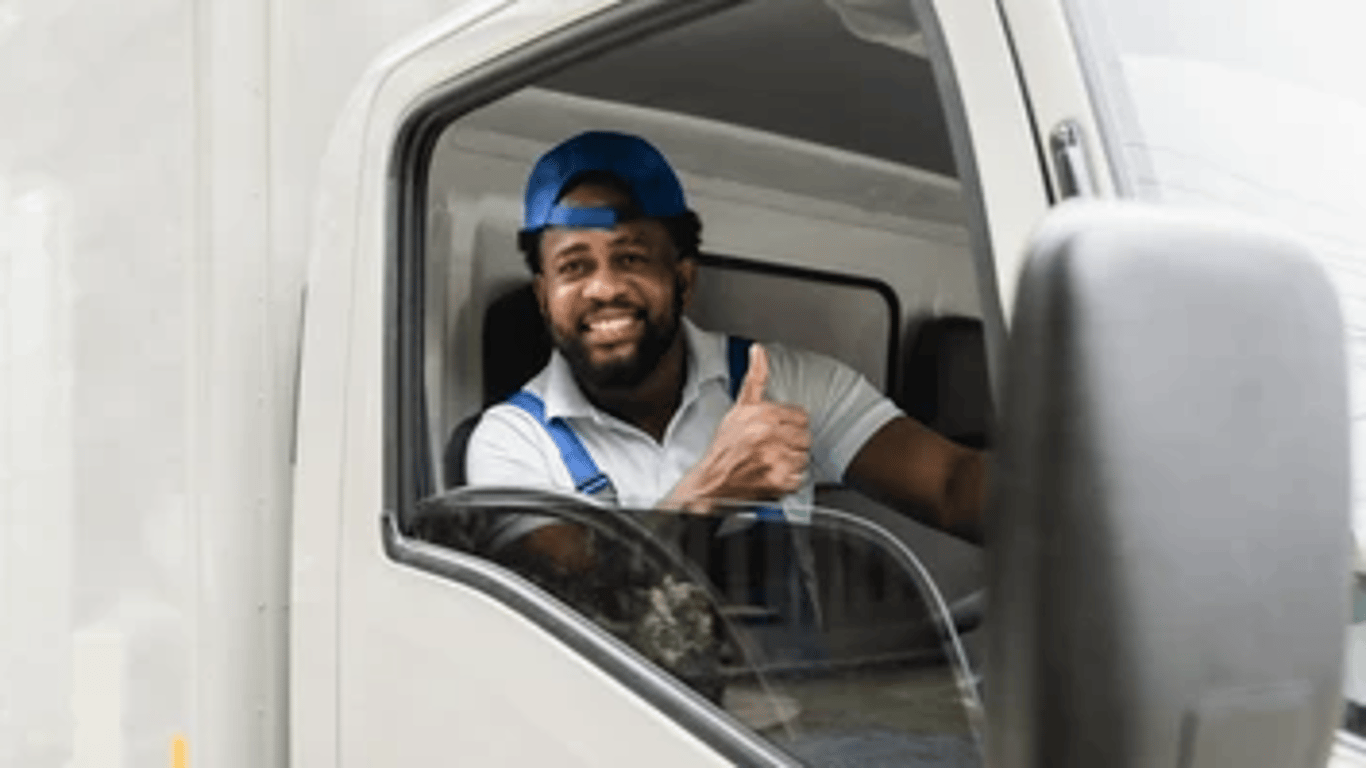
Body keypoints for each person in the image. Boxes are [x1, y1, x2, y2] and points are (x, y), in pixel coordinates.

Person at [464, 130, 987, 565]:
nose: (604, 289)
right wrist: (709, 492)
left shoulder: (793, 385)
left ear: (683, 278)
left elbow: (951, 486)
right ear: (543, 296)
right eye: (574, 267)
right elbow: (571, 599)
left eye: (631, 258)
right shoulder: (512, 442)